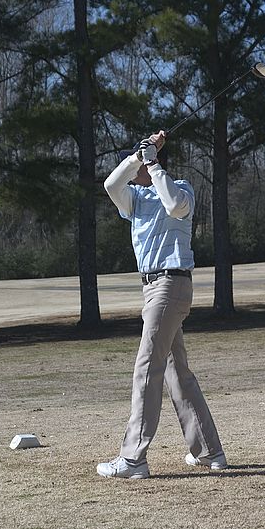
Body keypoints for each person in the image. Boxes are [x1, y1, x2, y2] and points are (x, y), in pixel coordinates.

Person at [97, 130, 226, 479]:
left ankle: (134, 459)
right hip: (153, 290)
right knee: (175, 371)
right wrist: (139, 157)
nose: (134, 169)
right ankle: (210, 452)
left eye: (140, 163)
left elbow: (173, 205)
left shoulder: (180, 188)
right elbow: (110, 185)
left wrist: (153, 161)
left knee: (146, 369)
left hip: (171, 284)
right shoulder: (134, 199)